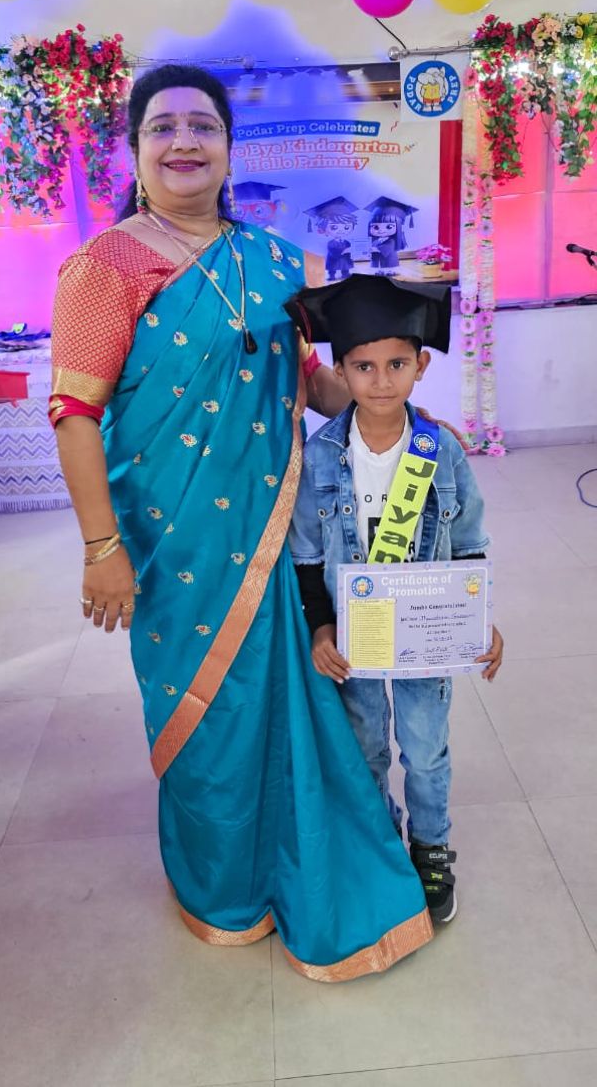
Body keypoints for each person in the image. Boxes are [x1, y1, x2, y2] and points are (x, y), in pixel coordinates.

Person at [49, 64, 438, 982]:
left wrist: (387, 390)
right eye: (162, 127)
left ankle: (299, 858)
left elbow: (312, 388)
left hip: (277, 530)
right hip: (171, 540)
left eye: (203, 126)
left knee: (285, 696)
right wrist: (102, 548)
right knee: (207, 713)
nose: (183, 142)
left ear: (229, 147)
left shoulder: (276, 260)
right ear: (136, 150)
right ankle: (222, 885)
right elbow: (74, 415)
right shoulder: (105, 267)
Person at [287, 274, 504, 926]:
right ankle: (379, 841)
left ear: (421, 366)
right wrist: (320, 628)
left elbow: (470, 543)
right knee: (365, 748)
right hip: (356, 638)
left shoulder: (442, 451)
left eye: (396, 365)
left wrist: (479, 622)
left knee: (425, 749)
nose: (381, 381)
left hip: (427, 637)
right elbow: (306, 556)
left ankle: (430, 848)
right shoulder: (320, 457)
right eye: (363, 366)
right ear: (340, 370)